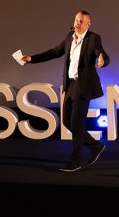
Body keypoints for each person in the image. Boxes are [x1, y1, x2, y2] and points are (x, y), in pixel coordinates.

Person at [21, 10, 109, 172]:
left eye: (81, 21)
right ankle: (95, 145)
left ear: (88, 24)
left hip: (83, 87)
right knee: (67, 121)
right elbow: (55, 52)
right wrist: (32, 59)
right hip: (70, 86)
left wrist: (102, 59)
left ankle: (75, 161)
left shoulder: (93, 38)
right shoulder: (70, 36)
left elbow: (101, 53)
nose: (77, 23)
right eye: (76, 20)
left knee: (76, 124)